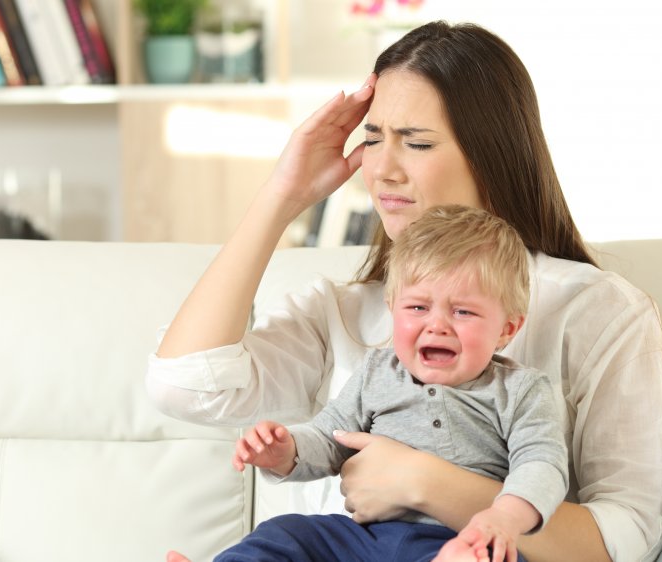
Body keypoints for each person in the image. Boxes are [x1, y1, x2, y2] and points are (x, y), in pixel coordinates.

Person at [148, 20, 662, 562]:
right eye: (372, 138)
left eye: (417, 142)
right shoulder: (342, 308)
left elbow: (628, 538)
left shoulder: (596, 310)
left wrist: (424, 482)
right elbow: (185, 388)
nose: (381, 168)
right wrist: (282, 197)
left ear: (491, 155)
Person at [218, 205, 568, 562]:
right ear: (392, 308)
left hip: (456, 538)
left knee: (494, 558)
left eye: (463, 312)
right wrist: (285, 451)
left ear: (507, 329)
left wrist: (504, 518)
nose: (437, 325)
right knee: (286, 532)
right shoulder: (376, 371)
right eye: (418, 308)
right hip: (361, 537)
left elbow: (542, 464)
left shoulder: (519, 390)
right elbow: (329, 437)